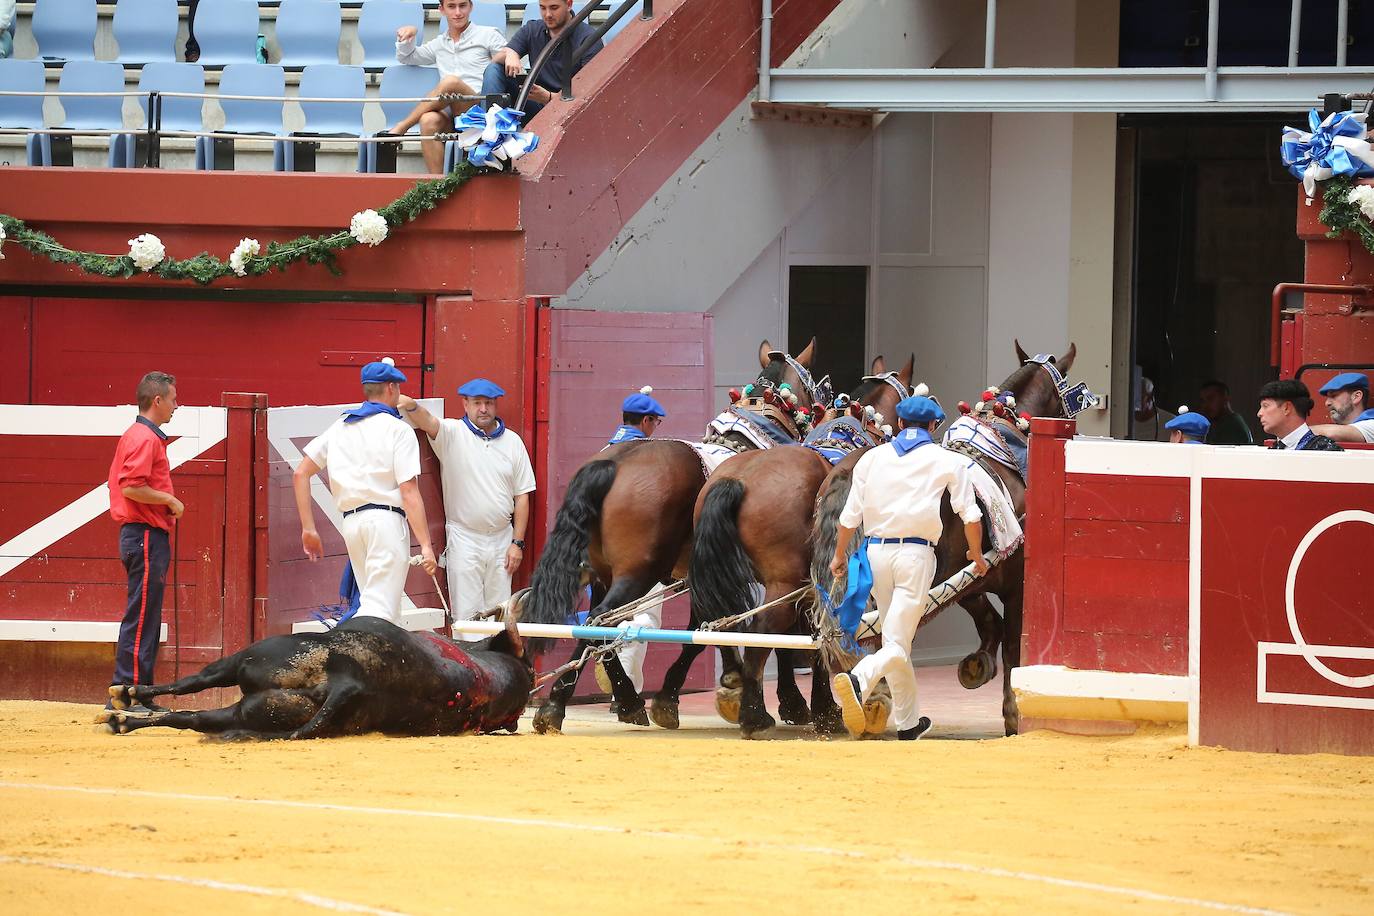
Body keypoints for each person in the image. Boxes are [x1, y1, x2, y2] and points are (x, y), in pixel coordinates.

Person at [828, 395, 987, 741]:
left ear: (899, 423)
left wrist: (839, 555)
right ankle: (860, 679)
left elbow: (849, 517)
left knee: (895, 640)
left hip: (875, 555)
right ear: (933, 426)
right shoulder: (947, 459)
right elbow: (970, 515)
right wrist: (976, 555)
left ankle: (909, 723)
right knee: (897, 642)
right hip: (915, 556)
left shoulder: (871, 458)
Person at [294, 359, 438, 625]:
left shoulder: (340, 426)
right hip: (385, 523)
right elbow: (409, 492)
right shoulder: (399, 430)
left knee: (380, 608)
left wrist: (308, 528)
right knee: (380, 612)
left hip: (352, 525)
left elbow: (300, 473)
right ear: (391, 388)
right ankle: (347, 648)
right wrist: (426, 546)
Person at [400, 379, 536, 639]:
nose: (483, 409)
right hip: (465, 537)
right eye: (477, 403)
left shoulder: (513, 442)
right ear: (465, 404)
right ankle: (470, 664)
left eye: (488, 403)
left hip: (502, 538)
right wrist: (408, 404)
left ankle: (497, 663)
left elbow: (522, 496)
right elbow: (426, 421)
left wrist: (517, 543)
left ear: (495, 405)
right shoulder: (452, 433)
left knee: (500, 611)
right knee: (466, 613)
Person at [106, 372, 183, 711]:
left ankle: (140, 694)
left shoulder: (137, 435)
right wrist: (168, 499)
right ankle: (127, 695)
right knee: (141, 617)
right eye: (173, 399)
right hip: (146, 535)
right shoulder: (145, 438)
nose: (176, 406)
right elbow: (131, 486)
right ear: (157, 400)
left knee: (146, 617)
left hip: (142, 535)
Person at [597, 386, 668, 699]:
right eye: (656, 422)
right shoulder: (650, 459)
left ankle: (615, 673)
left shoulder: (603, 453)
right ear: (647, 421)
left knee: (609, 614)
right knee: (644, 617)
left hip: (602, 553)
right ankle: (624, 690)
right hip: (640, 550)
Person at [388, 0, 507, 174]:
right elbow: (407, 57)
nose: (458, 12)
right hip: (453, 112)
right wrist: (410, 35)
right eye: (451, 6)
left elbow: (508, 61)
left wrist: (506, 56)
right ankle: (438, 185)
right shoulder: (439, 44)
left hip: (481, 108)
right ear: (441, 9)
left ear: (471, 7)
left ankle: (402, 127)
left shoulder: (488, 34)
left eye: (462, 5)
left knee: (451, 82)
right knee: (428, 120)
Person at [481, 0, 603, 119]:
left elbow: (588, 96)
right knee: (494, 69)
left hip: (567, 109)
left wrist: (547, 97)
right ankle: (489, 125)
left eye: (554, 8)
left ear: (569, 4)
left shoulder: (589, 38)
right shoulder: (532, 29)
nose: (548, 14)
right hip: (534, 101)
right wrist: (511, 53)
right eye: (543, 8)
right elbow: (496, 60)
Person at [1257, 379, 1344, 451]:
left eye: (1265, 406)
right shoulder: (1272, 449)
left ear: (1286, 408)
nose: (1259, 414)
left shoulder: (1325, 450)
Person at [1311, 372, 1374, 444]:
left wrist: (1301, 431)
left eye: (1333, 396)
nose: (1327, 403)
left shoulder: (1371, 425)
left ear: (1356, 397)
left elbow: (1332, 433)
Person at [1198, 380, 1254, 446]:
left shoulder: (1232, 426)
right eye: (1202, 401)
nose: (1205, 405)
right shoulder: (1218, 423)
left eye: (1210, 398)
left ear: (1225, 398)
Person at [1131, 376, 1175, 442]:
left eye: (1140, 397)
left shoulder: (1170, 422)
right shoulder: (1123, 422)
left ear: (1150, 398)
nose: (1135, 401)